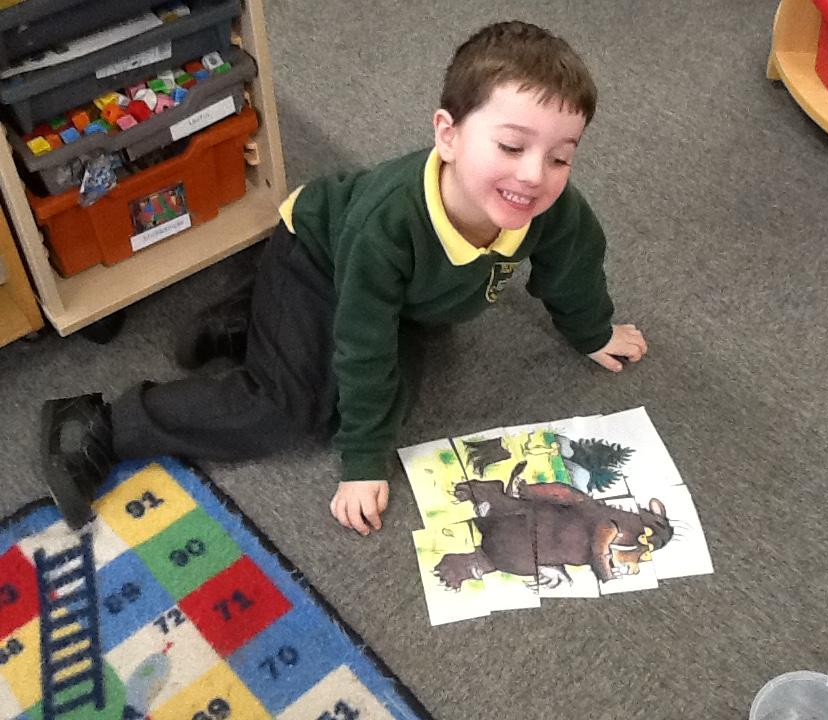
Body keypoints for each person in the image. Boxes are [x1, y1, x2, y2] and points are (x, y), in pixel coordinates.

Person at [41, 20, 648, 535]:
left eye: (560, 157)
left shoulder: (551, 209)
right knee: (286, 412)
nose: (535, 175)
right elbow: (364, 343)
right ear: (448, 135)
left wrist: (593, 332)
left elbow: (574, 270)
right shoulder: (386, 225)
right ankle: (102, 424)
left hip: (404, 304)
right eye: (512, 147)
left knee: (378, 403)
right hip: (317, 257)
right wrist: (363, 462)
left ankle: (247, 324)